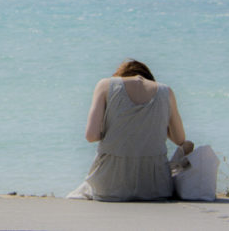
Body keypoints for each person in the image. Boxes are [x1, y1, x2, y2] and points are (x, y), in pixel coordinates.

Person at [68, 59, 192, 201]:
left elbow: (91, 136)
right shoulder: (166, 91)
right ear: (149, 78)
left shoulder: (105, 85)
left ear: (120, 77)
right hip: (156, 187)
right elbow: (180, 139)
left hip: (108, 186)